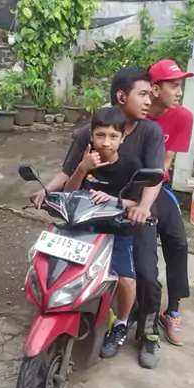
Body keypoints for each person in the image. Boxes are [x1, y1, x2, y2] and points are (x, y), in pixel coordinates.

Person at [33, 67, 165, 369]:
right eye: (143, 94)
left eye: (113, 136)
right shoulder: (87, 137)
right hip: (89, 217)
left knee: (141, 275)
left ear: (121, 138)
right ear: (122, 96)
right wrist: (46, 190)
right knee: (58, 256)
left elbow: (150, 182)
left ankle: (139, 329)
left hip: (129, 214)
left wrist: (140, 207)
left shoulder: (146, 139)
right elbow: (69, 176)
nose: (150, 100)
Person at [63, 106, 140, 358]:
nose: (106, 142)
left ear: (122, 138)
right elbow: (69, 193)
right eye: (100, 135)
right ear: (91, 135)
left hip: (117, 230)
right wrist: (82, 168)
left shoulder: (131, 165)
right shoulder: (86, 158)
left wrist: (112, 200)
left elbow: (136, 202)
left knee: (126, 280)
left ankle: (121, 323)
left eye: (113, 136)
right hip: (85, 226)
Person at [147, 59, 194, 347]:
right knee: (142, 246)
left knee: (177, 241)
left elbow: (165, 164)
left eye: (180, 86)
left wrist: (148, 197)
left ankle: (172, 311)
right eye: (174, 86)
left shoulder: (183, 117)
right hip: (127, 186)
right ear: (155, 89)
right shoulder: (136, 112)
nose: (179, 92)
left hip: (157, 185)